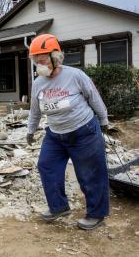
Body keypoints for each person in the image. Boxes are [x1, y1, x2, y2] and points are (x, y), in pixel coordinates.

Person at [27, 33, 109, 230]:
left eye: (43, 60)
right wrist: (30, 130)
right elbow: (35, 110)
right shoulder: (38, 84)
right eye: (36, 61)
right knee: (46, 166)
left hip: (84, 131)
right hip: (55, 135)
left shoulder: (75, 75)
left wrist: (104, 119)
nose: (39, 65)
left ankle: (96, 214)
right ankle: (59, 207)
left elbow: (94, 97)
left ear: (56, 58)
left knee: (90, 173)